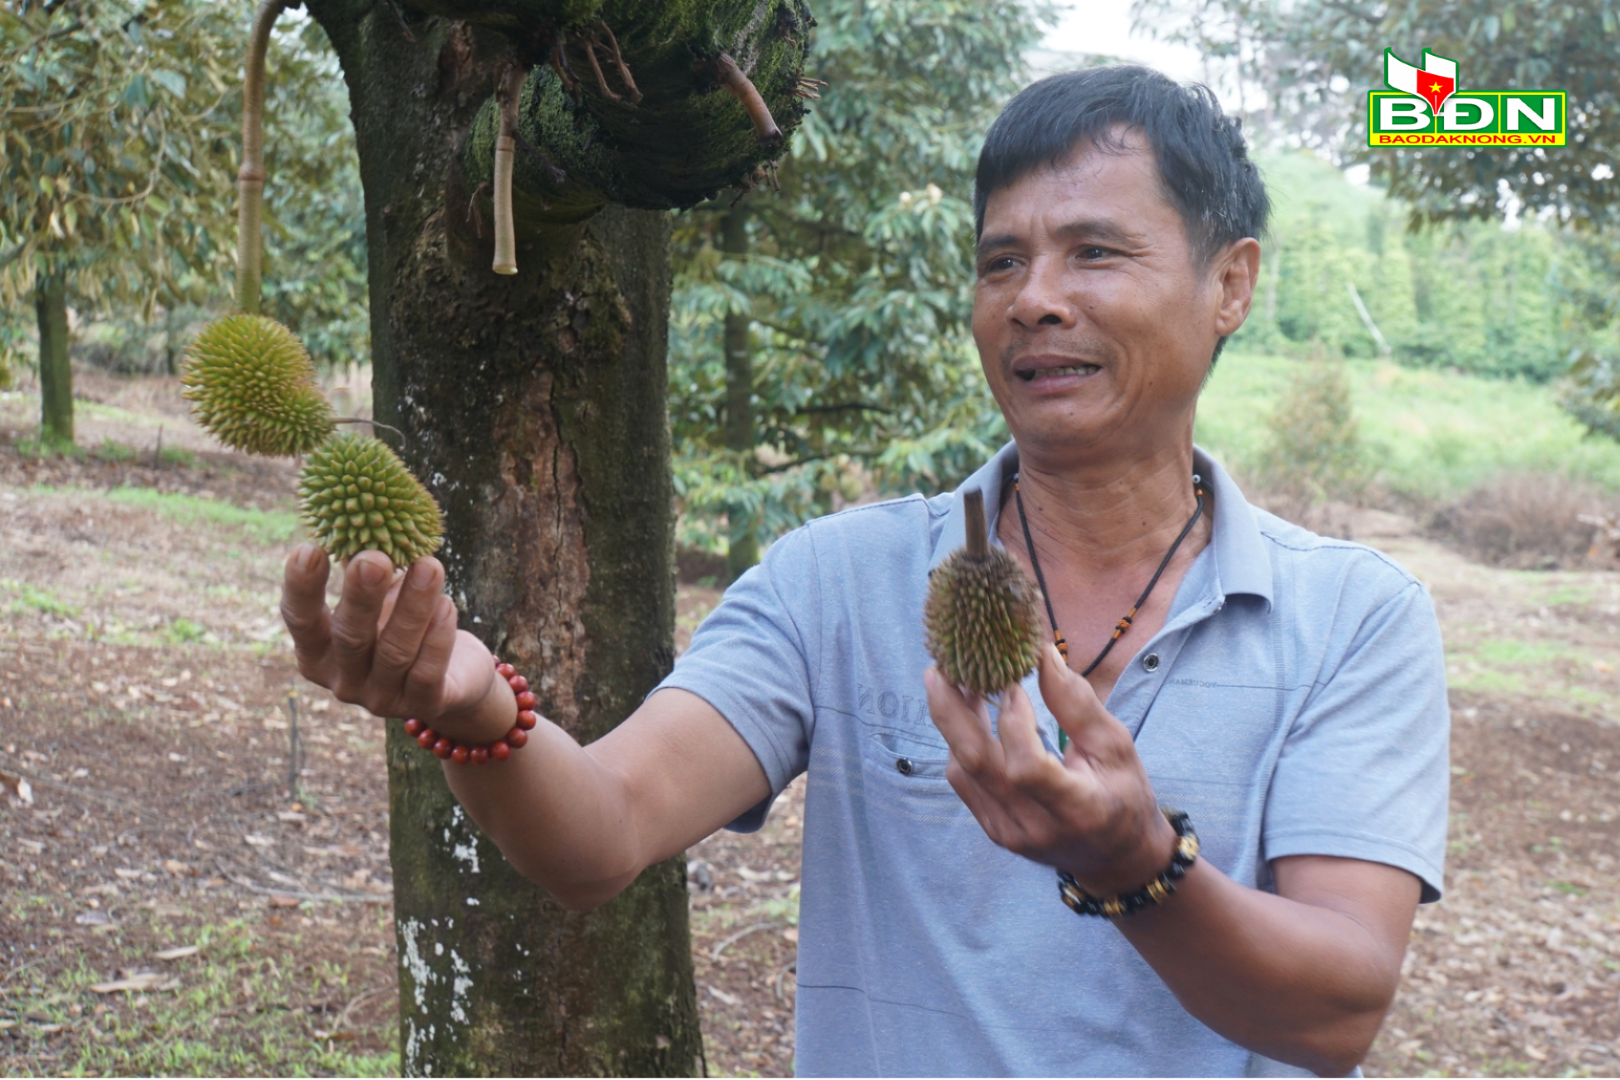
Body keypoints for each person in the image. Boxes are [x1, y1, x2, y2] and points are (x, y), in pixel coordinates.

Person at [279, 66, 1448, 1077]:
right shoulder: (835, 582)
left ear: (1230, 284)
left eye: (1095, 252)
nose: (1035, 299)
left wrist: (1138, 863)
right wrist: (474, 711)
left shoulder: (1353, 618)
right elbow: (603, 833)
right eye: (1002, 262)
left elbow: (1337, 1007)